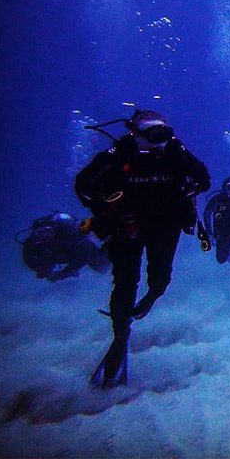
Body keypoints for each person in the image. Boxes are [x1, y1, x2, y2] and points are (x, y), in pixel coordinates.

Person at [75, 109, 210, 388]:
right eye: (152, 134)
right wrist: (106, 209)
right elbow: (83, 184)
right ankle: (120, 336)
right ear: (134, 133)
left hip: (165, 225)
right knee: (125, 281)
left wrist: (188, 190)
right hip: (127, 225)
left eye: (164, 133)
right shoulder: (120, 151)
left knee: (160, 281)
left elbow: (204, 177)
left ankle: (144, 304)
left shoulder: (174, 150)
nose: (159, 140)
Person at [18, 211, 109, 281]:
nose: (44, 235)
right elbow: (28, 259)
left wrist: (66, 272)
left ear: (54, 229)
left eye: (47, 231)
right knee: (46, 268)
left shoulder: (68, 233)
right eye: (40, 232)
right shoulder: (33, 242)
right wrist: (44, 272)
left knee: (103, 267)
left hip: (76, 251)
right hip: (57, 255)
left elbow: (85, 252)